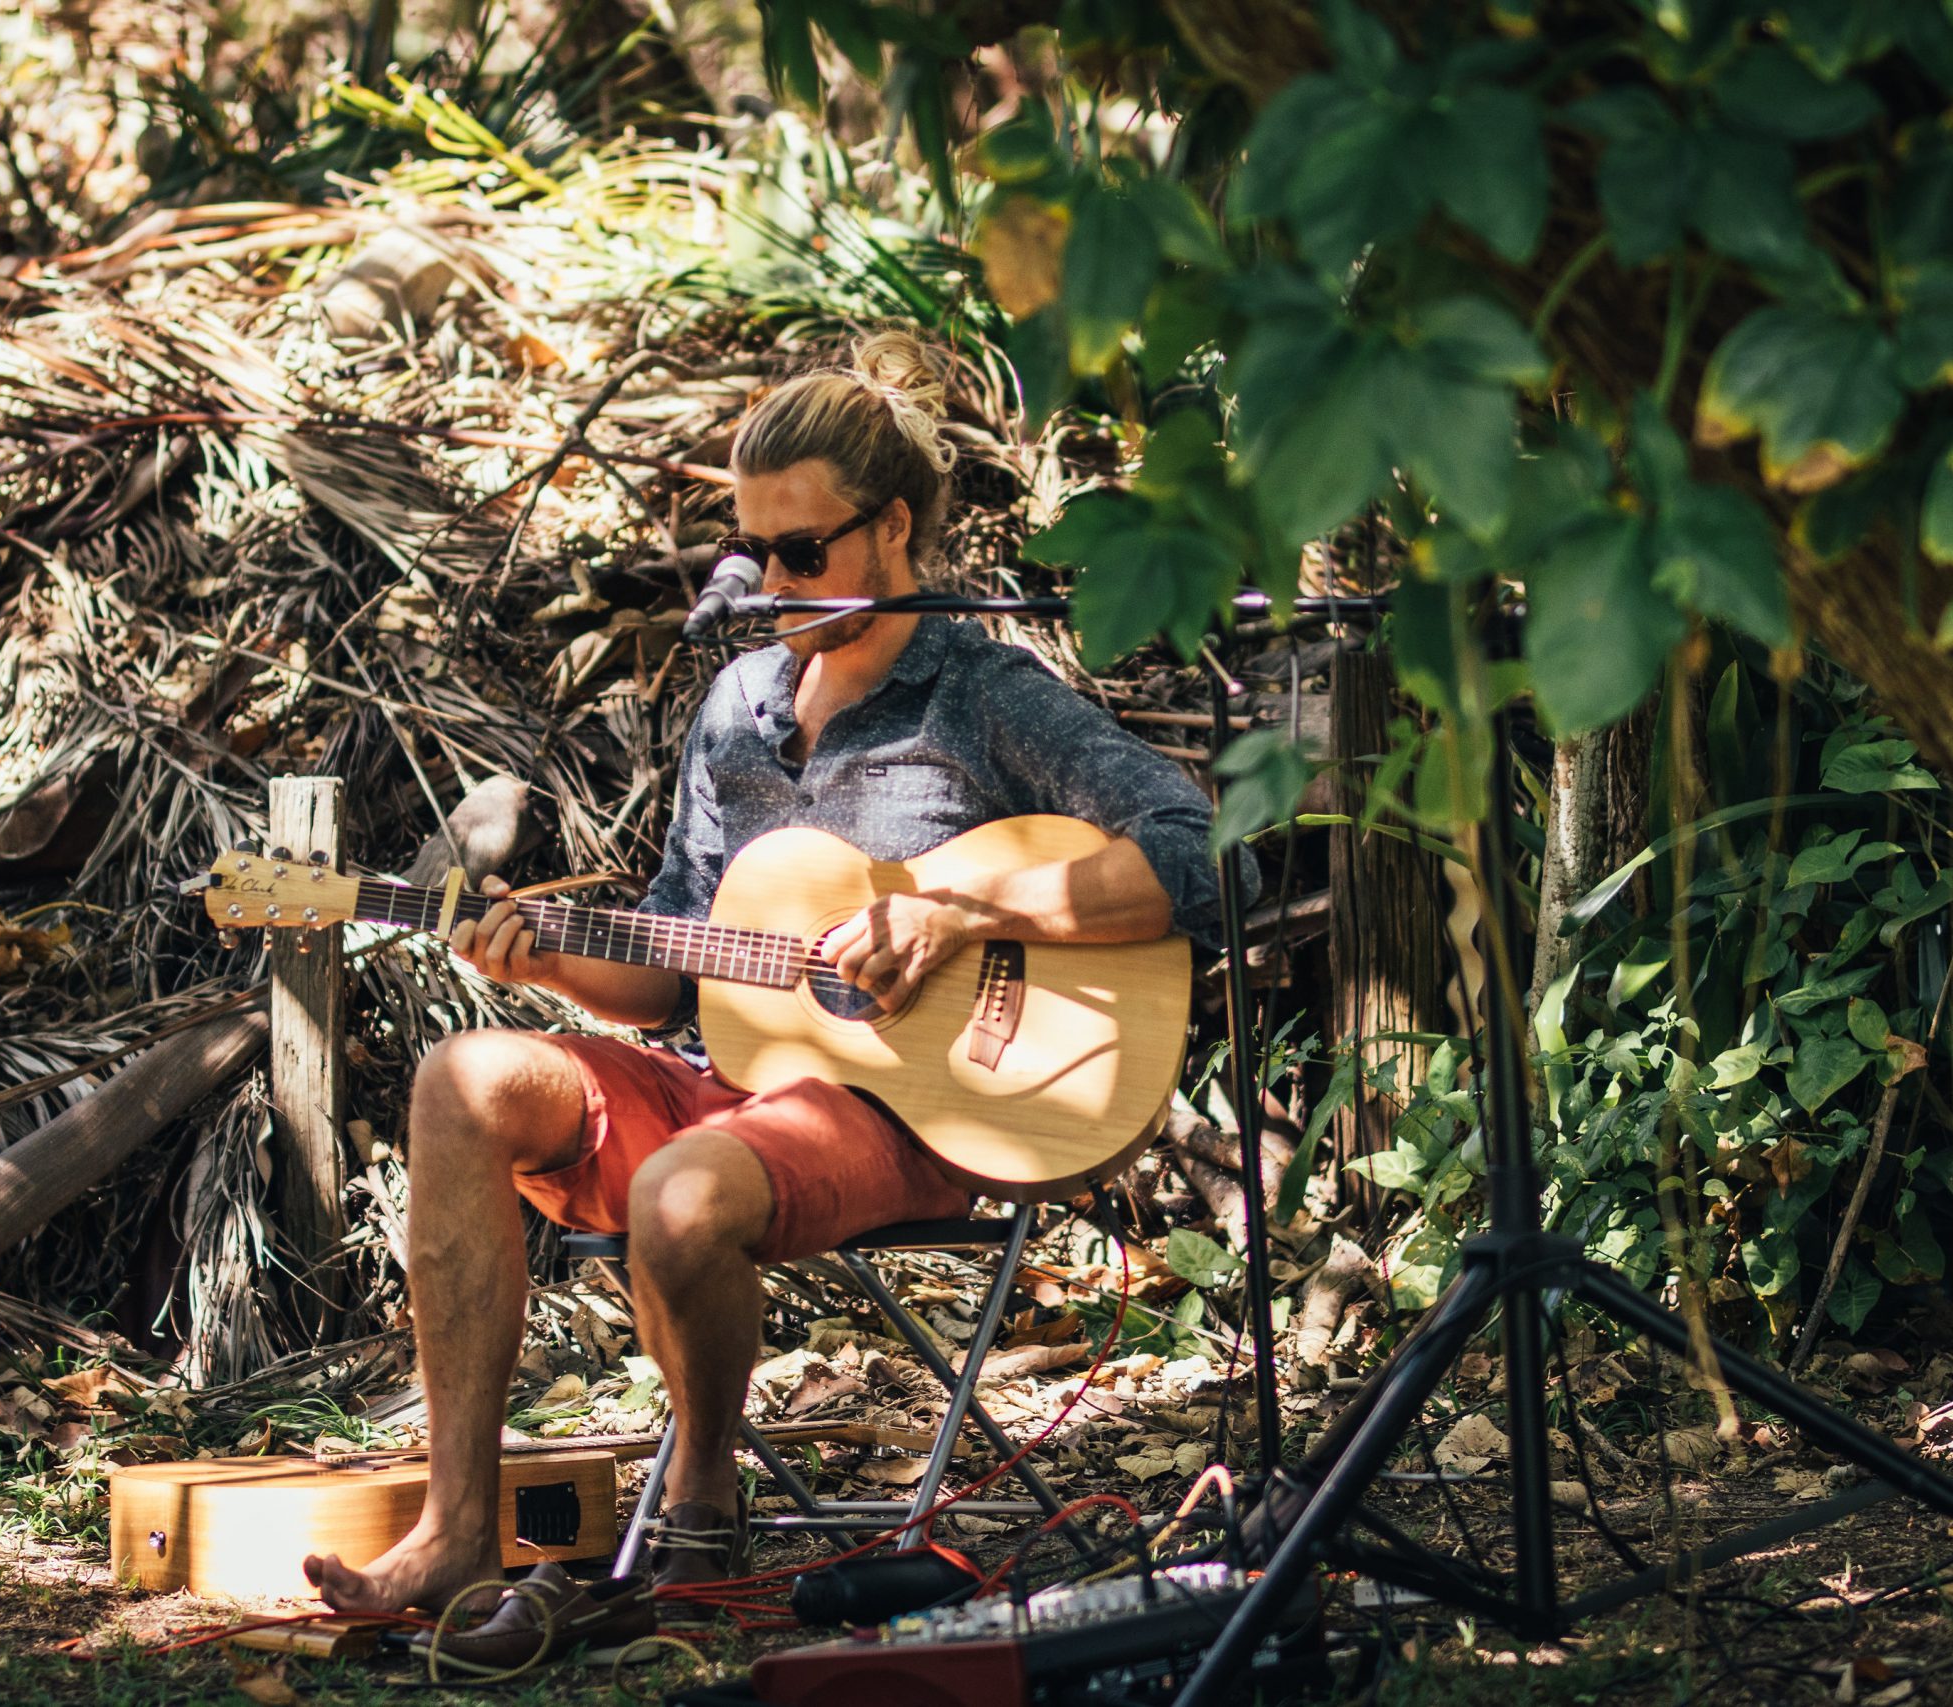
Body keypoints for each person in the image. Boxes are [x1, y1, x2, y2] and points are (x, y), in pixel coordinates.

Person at [304, 330, 1253, 1629]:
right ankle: (461, 1529)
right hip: (735, 1083)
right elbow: (685, 959)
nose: (775, 580)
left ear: (895, 528)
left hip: (912, 1105)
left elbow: (1197, 857)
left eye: (805, 551)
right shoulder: (740, 707)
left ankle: (702, 1496)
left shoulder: (983, 698)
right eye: (756, 552)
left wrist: (951, 905)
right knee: (461, 1079)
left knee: (682, 1197)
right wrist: (550, 960)